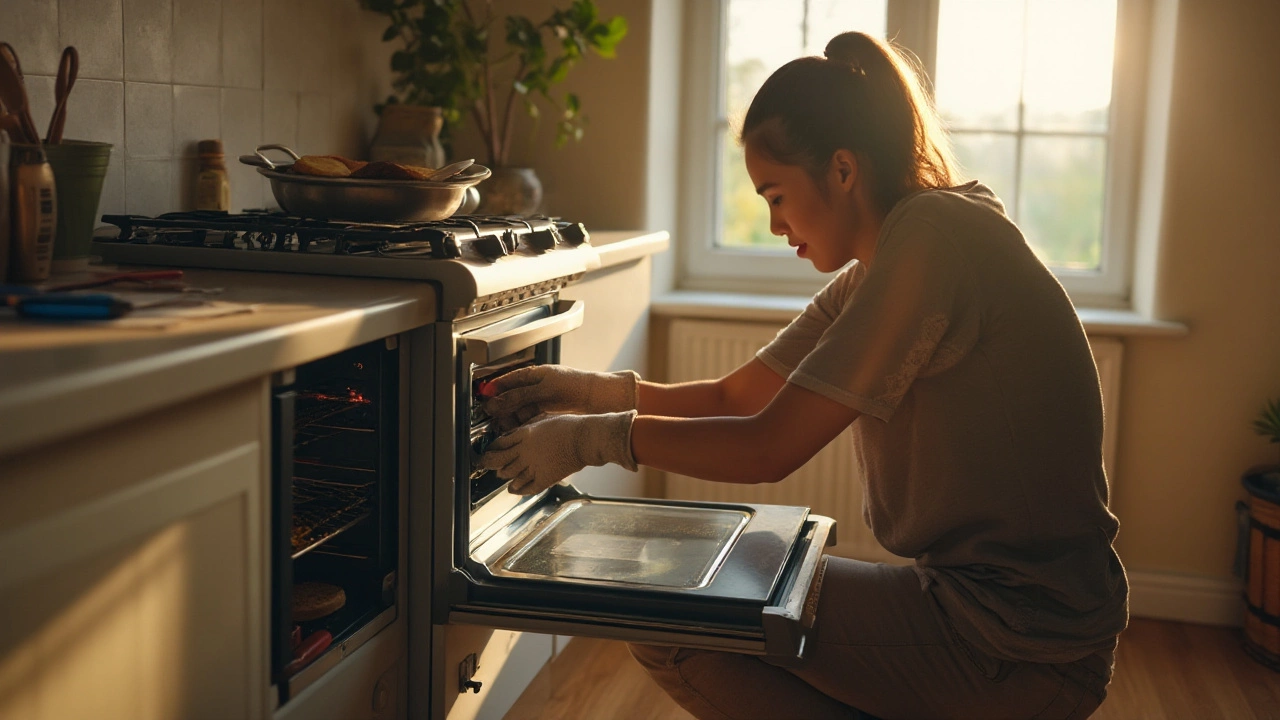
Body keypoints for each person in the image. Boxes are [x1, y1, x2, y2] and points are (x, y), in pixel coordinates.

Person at [478, 30, 1128, 720]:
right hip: (991, 614)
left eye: (777, 195)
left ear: (843, 170)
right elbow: (736, 395)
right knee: (706, 600)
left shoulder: (932, 240)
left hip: (1018, 642)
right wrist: (583, 392)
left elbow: (768, 446)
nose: (773, 224)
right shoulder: (883, 266)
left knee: (670, 623)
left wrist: (591, 441)